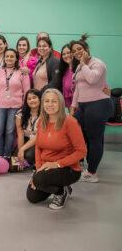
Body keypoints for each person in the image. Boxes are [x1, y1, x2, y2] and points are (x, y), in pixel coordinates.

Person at [26, 89, 86, 210]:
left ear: (61, 103)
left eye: (54, 101)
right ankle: (62, 187)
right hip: (46, 166)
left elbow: (82, 151)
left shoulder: (70, 122)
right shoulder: (42, 121)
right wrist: (38, 169)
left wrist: (56, 164)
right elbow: (38, 146)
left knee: (39, 180)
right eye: (47, 101)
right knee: (32, 197)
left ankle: (60, 192)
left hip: (67, 168)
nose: (49, 104)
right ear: (42, 104)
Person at [70, 35, 113, 183]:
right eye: (74, 50)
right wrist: (73, 106)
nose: (77, 52)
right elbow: (77, 88)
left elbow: (92, 79)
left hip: (98, 104)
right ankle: (80, 161)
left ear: (86, 49)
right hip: (82, 105)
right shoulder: (79, 66)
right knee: (77, 134)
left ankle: (92, 172)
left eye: (79, 49)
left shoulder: (97, 63)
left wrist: (83, 64)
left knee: (95, 139)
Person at [0, 48, 30, 158]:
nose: (9, 58)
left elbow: (27, 91)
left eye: (12, 56)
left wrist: (24, 107)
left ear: (16, 58)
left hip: (16, 107)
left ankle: (7, 156)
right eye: (7, 56)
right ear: (4, 58)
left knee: (10, 131)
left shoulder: (22, 72)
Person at [15, 89, 41, 166]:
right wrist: (20, 151)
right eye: (29, 99)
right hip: (27, 139)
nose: (32, 100)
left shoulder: (45, 114)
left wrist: (23, 149)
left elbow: (37, 137)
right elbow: (20, 134)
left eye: (34, 97)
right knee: (15, 159)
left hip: (39, 141)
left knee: (29, 155)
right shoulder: (20, 113)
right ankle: (27, 162)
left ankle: (37, 161)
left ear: (40, 98)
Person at [57, 44, 78, 109]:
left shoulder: (79, 68)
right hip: (70, 108)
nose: (66, 55)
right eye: (63, 54)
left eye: (68, 53)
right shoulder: (64, 70)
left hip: (80, 107)